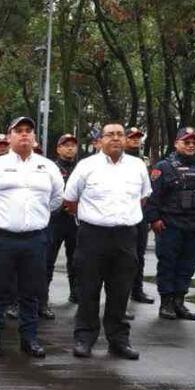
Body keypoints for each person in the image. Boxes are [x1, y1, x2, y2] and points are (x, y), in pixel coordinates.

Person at [0, 116, 64, 358]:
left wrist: (37, 216)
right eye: (19, 130)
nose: (24, 134)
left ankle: (29, 338)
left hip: (35, 238)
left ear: (34, 137)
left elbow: (56, 199)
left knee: (31, 290)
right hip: (2, 238)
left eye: (28, 131)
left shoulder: (48, 167)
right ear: (9, 136)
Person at [64, 122, 151, 360]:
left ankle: (119, 340)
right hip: (93, 235)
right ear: (100, 140)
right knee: (88, 288)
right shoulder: (86, 166)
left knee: (121, 290)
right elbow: (70, 200)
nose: (115, 138)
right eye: (110, 135)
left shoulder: (137, 166)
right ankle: (84, 338)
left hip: (126, 236)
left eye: (120, 134)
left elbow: (143, 198)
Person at [144, 126, 195, 321]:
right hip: (171, 226)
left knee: (188, 265)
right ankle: (166, 303)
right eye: (186, 142)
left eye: (194, 142)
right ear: (176, 143)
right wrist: (154, 219)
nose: (191, 145)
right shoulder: (164, 167)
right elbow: (152, 197)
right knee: (168, 265)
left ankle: (179, 301)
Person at [44, 134, 80, 317]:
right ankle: (42, 300)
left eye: (73, 145)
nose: (70, 148)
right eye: (66, 145)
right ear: (58, 149)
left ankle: (76, 294)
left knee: (76, 260)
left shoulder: (81, 168)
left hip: (75, 220)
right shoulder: (51, 168)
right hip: (55, 220)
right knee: (47, 260)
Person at [123, 127, 155, 304]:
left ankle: (137, 289)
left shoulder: (144, 160)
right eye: (132, 137)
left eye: (138, 137)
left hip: (140, 212)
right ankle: (121, 293)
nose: (136, 140)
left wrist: (149, 215)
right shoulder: (119, 159)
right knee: (122, 256)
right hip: (123, 213)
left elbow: (148, 190)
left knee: (139, 254)